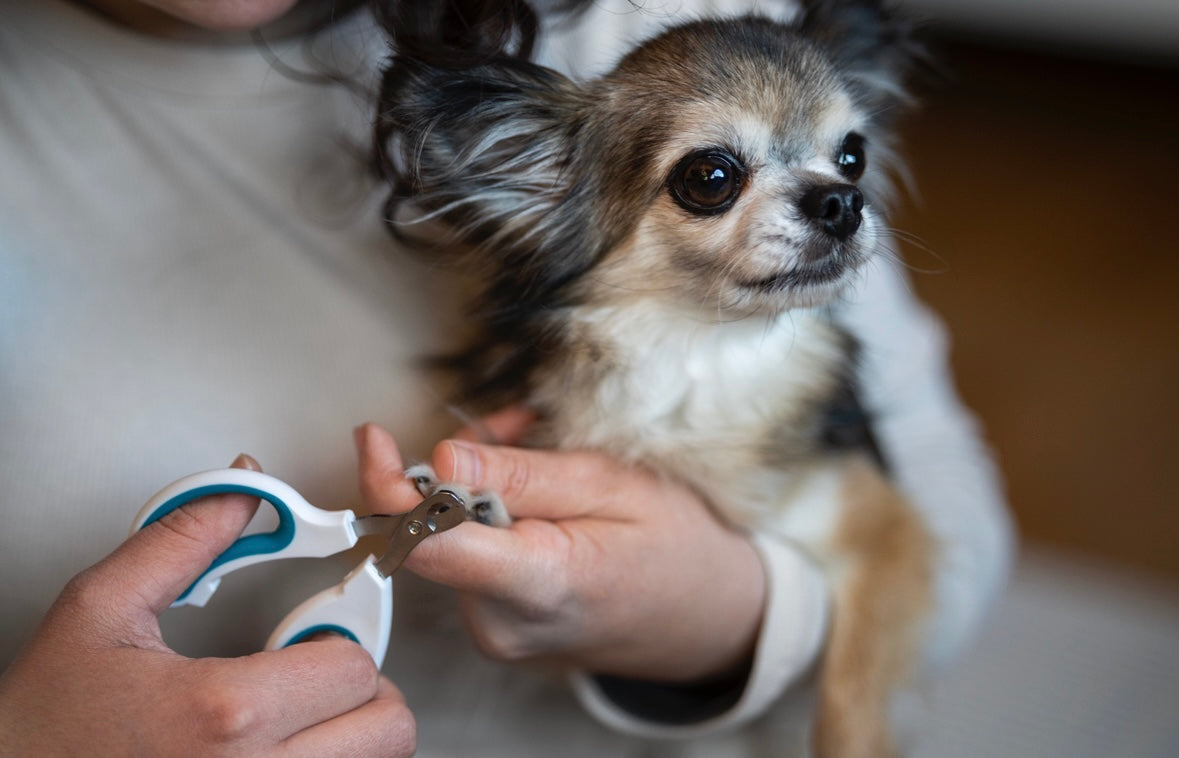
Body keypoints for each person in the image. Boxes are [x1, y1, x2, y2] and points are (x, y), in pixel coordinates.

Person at [0, 0, 1014, 755]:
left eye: (846, 158)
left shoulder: (655, 18)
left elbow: (952, 518)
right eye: (712, 177)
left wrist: (728, 614)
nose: (835, 197)